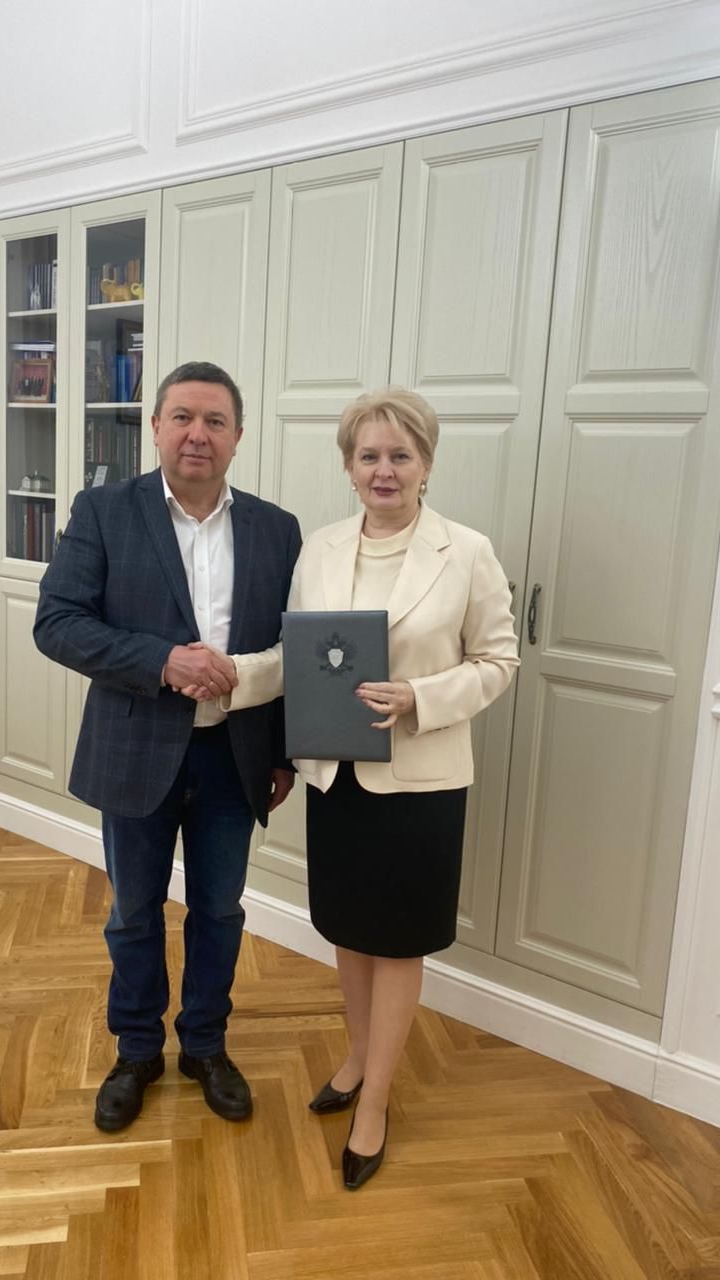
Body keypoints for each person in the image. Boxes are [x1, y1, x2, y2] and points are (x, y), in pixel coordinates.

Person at [188, 387, 519, 1187]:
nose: (384, 470)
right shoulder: (323, 549)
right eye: (369, 455)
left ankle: (374, 1102)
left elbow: (499, 660)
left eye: (400, 455)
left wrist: (419, 698)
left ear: (426, 464)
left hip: (420, 783)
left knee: (397, 939)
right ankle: (358, 1056)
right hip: (336, 776)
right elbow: (297, 659)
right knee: (349, 929)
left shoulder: (466, 552)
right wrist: (231, 678)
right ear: (349, 466)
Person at [33, 361, 302, 1130]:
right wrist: (162, 661)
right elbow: (58, 624)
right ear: (154, 428)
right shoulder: (103, 511)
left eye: (215, 421)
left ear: (239, 437)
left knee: (219, 911)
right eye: (182, 416)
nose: (197, 434)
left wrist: (283, 753)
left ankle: (206, 1046)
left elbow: (291, 650)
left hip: (233, 759)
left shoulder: (277, 529)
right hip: (135, 751)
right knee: (134, 913)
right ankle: (137, 1050)